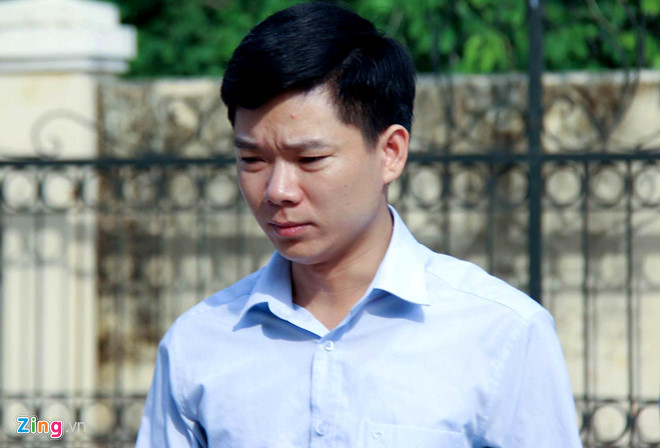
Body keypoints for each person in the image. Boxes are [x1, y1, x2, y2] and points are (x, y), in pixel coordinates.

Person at [136, 2, 582, 447]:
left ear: (390, 153)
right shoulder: (198, 344)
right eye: (252, 159)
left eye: (310, 158)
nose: (277, 190)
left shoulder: (502, 334)